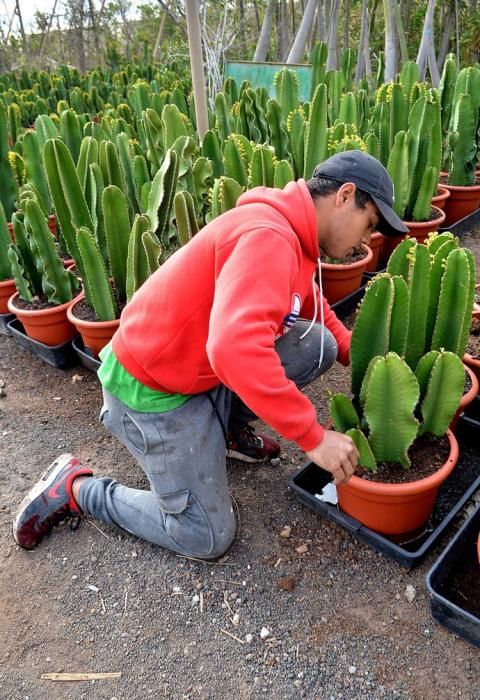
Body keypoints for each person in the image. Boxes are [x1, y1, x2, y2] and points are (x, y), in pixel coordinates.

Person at [13, 151, 408, 558]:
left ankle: (226, 432)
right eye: (370, 224)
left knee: (319, 344)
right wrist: (312, 437)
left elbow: (307, 300)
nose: (366, 241)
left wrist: (356, 354)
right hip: (150, 393)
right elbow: (232, 347)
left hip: (195, 371)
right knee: (205, 535)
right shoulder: (269, 236)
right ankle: (77, 488)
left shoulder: (295, 234)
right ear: (345, 196)